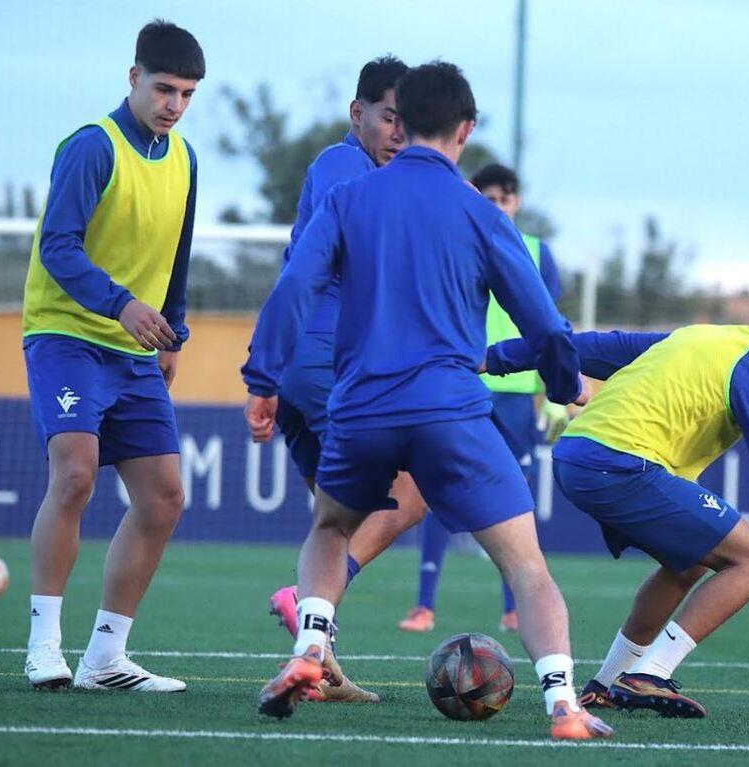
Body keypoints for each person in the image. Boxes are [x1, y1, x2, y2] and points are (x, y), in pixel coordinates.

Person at [241, 61, 613, 740]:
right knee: (526, 565)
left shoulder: (351, 199)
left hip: (360, 412)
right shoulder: (479, 211)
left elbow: (293, 287)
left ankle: (309, 649)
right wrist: (564, 384)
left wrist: (262, 379)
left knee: (329, 527)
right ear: (465, 129)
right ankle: (563, 703)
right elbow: (545, 322)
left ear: (399, 120)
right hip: (450, 414)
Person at [482, 268, 749, 717]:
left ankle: (606, 684)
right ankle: (649, 675)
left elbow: (589, 347)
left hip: (578, 456)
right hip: (619, 463)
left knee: (688, 562)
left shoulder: (702, 339)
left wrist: (493, 358)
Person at [20, 20, 203, 692]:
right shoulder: (91, 147)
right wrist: (124, 304)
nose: (174, 104)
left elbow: (178, 254)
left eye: (186, 93)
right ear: (134, 79)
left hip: (134, 350)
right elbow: (59, 247)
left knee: (164, 497)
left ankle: (105, 656)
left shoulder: (184, 158)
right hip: (67, 335)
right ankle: (44, 646)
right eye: (164, 88)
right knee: (76, 475)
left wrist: (172, 331)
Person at [253, 55, 419, 703]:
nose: (400, 131)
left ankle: (316, 658)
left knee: (333, 515)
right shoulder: (344, 166)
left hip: (305, 363)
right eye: (389, 116)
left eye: (411, 120)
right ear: (359, 115)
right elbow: (344, 266)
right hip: (330, 362)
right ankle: (311, 600)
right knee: (414, 488)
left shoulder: (363, 171)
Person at [398, 163, 562, 635]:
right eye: (488, 199)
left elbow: (549, 319)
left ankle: (514, 607)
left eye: (504, 199)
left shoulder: (536, 252)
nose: (497, 207)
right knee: (436, 489)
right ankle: (424, 604)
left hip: (515, 392)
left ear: (517, 202)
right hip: (463, 385)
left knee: (514, 496)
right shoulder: (460, 242)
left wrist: (553, 391)